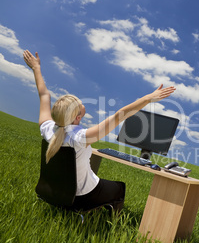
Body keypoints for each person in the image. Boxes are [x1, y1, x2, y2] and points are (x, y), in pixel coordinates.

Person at [23, 50, 176, 212]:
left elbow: (44, 95)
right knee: (119, 187)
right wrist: (148, 98)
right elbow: (119, 116)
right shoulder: (80, 137)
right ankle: (111, 223)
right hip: (80, 198)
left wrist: (36, 68)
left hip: (51, 191)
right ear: (77, 117)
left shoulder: (47, 129)